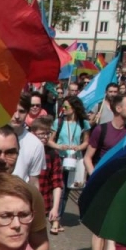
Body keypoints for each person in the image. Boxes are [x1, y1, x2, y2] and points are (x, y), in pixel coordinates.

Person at [85, 94, 126, 250]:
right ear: (118, 108)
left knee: (112, 224)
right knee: (99, 226)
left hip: (120, 185)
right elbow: (87, 158)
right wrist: (95, 177)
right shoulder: (102, 130)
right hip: (101, 184)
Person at [48, 95, 92, 230]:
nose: (64, 109)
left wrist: (78, 147)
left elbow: (86, 142)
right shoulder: (59, 122)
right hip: (60, 158)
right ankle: (55, 218)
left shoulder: (83, 123)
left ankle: (58, 217)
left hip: (74, 159)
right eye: (63, 106)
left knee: (67, 189)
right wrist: (59, 146)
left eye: (66, 106)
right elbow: (50, 141)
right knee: (59, 187)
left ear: (74, 108)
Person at [30, 117, 65, 236]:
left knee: (38, 237)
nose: (45, 137)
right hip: (25, 202)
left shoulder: (52, 154)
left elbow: (57, 183)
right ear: (32, 133)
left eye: (47, 133)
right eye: (41, 134)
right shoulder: (25, 150)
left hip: (43, 203)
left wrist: (55, 208)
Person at [9, 94, 45, 186]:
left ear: (27, 112)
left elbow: (34, 182)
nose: (17, 116)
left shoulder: (36, 144)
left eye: (22, 111)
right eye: (13, 111)